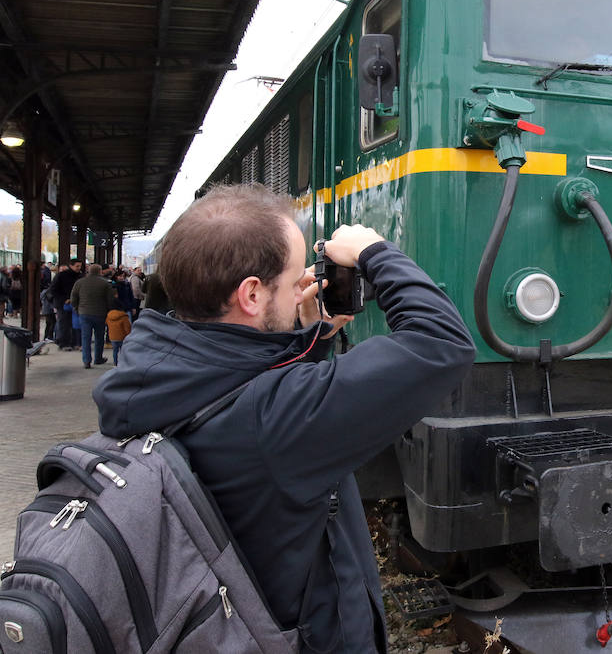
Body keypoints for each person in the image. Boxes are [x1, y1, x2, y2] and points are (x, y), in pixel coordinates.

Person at [93, 184, 475, 653]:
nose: (305, 292)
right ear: (251, 294)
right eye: (298, 281)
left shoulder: (152, 371)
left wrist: (312, 341)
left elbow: (264, 410)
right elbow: (442, 342)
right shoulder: (274, 420)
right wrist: (374, 251)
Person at [71, 263, 116, 368]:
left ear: (88, 271)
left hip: (84, 313)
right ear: (100, 272)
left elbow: (73, 297)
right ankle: (98, 358)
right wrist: (109, 310)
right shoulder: (105, 284)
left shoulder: (80, 282)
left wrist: (77, 308)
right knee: (99, 337)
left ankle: (86, 361)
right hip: (100, 313)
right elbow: (110, 300)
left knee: (85, 337)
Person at [49, 261, 82, 349]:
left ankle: (74, 342)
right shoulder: (61, 276)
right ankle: (64, 343)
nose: (79, 268)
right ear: (71, 266)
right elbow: (53, 289)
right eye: (77, 266)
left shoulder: (79, 276)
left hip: (75, 303)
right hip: (63, 303)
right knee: (64, 323)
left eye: (80, 266)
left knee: (74, 323)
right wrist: (64, 299)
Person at [105, 301, 131, 366]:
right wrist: (129, 335)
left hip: (113, 337)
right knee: (123, 351)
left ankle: (115, 363)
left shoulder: (109, 316)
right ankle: (123, 363)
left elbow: (106, 323)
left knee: (115, 351)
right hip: (122, 337)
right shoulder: (124, 317)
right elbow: (127, 328)